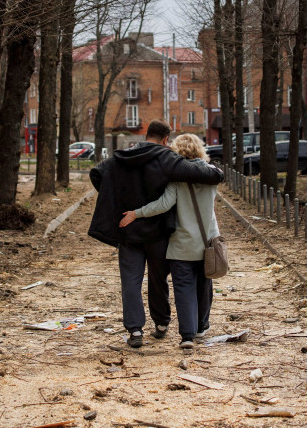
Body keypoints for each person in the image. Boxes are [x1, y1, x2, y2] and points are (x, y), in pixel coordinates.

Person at [88, 121, 224, 349]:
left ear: (145, 135)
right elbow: (199, 173)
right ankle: (161, 323)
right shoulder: (165, 157)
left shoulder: (119, 157)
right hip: (157, 232)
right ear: (164, 139)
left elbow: (97, 174)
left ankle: (135, 330)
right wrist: (217, 173)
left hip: (127, 229)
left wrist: (116, 198)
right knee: (157, 278)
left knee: (130, 281)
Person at [119, 134, 219, 350]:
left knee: (183, 288)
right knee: (204, 285)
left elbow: (163, 204)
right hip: (207, 243)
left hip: (182, 245)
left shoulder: (175, 180)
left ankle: (187, 336)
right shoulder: (212, 176)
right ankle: (202, 327)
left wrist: (136, 213)